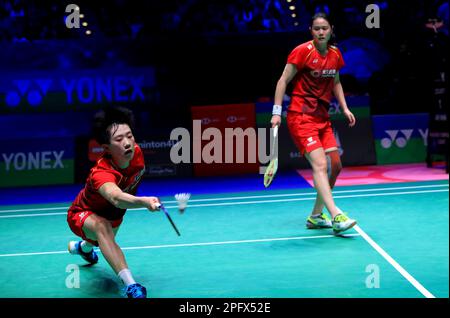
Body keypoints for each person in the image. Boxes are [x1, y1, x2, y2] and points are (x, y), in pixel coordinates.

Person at [270, 12, 357, 234]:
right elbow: (283, 80)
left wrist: (345, 107)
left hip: (322, 118)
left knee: (335, 165)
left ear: (331, 30)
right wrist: (276, 112)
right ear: (311, 31)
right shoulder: (302, 52)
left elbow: (335, 81)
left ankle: (316, 216)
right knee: (319, 165)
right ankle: (336, 215)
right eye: (316, 28)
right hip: (301, 117)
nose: (320, 32)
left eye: (324, 28)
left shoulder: (335, 54)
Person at [67, 107, 160, 298]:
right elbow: (116, 198)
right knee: (102, 229)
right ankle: (131, 285)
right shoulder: (101, 173)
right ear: (106, 147)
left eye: (130, 136)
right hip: (82, 213)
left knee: (103, 239)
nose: (127, 143)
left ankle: (82, 248)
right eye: (119, 139)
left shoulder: (137, 153)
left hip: (114, 216)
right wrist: (144, 202)